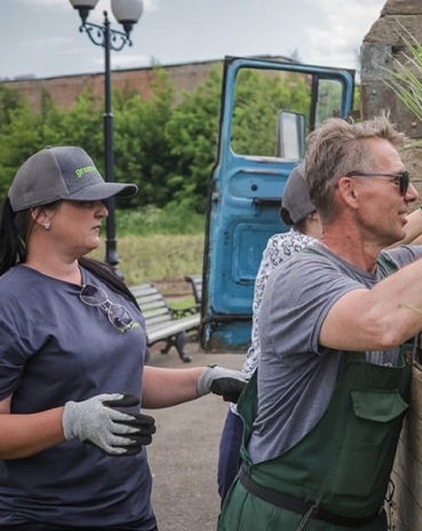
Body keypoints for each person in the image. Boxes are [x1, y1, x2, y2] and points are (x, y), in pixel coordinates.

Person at [216, 115, 422, 530]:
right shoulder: (298, 275)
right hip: (286, 519)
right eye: (399, 181)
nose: (413, 194)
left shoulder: (388, 267)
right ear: (349, 191)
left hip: (357, 519)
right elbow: (383, 320)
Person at [0, 146, 248, 531]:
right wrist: (71, 421)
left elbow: (120, 377)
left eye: (103, 200)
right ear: (41, 213)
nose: (103, 210)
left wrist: (204, 378)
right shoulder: (9, 301)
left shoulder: (99, 280)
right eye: (86, 201)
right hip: (48, 517)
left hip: (129, 510)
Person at [215, 161, 422, 500]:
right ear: (316, 214)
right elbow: (377, 251)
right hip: (263, 427)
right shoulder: (288, 251)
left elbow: (395, 254)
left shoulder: (346, 259)